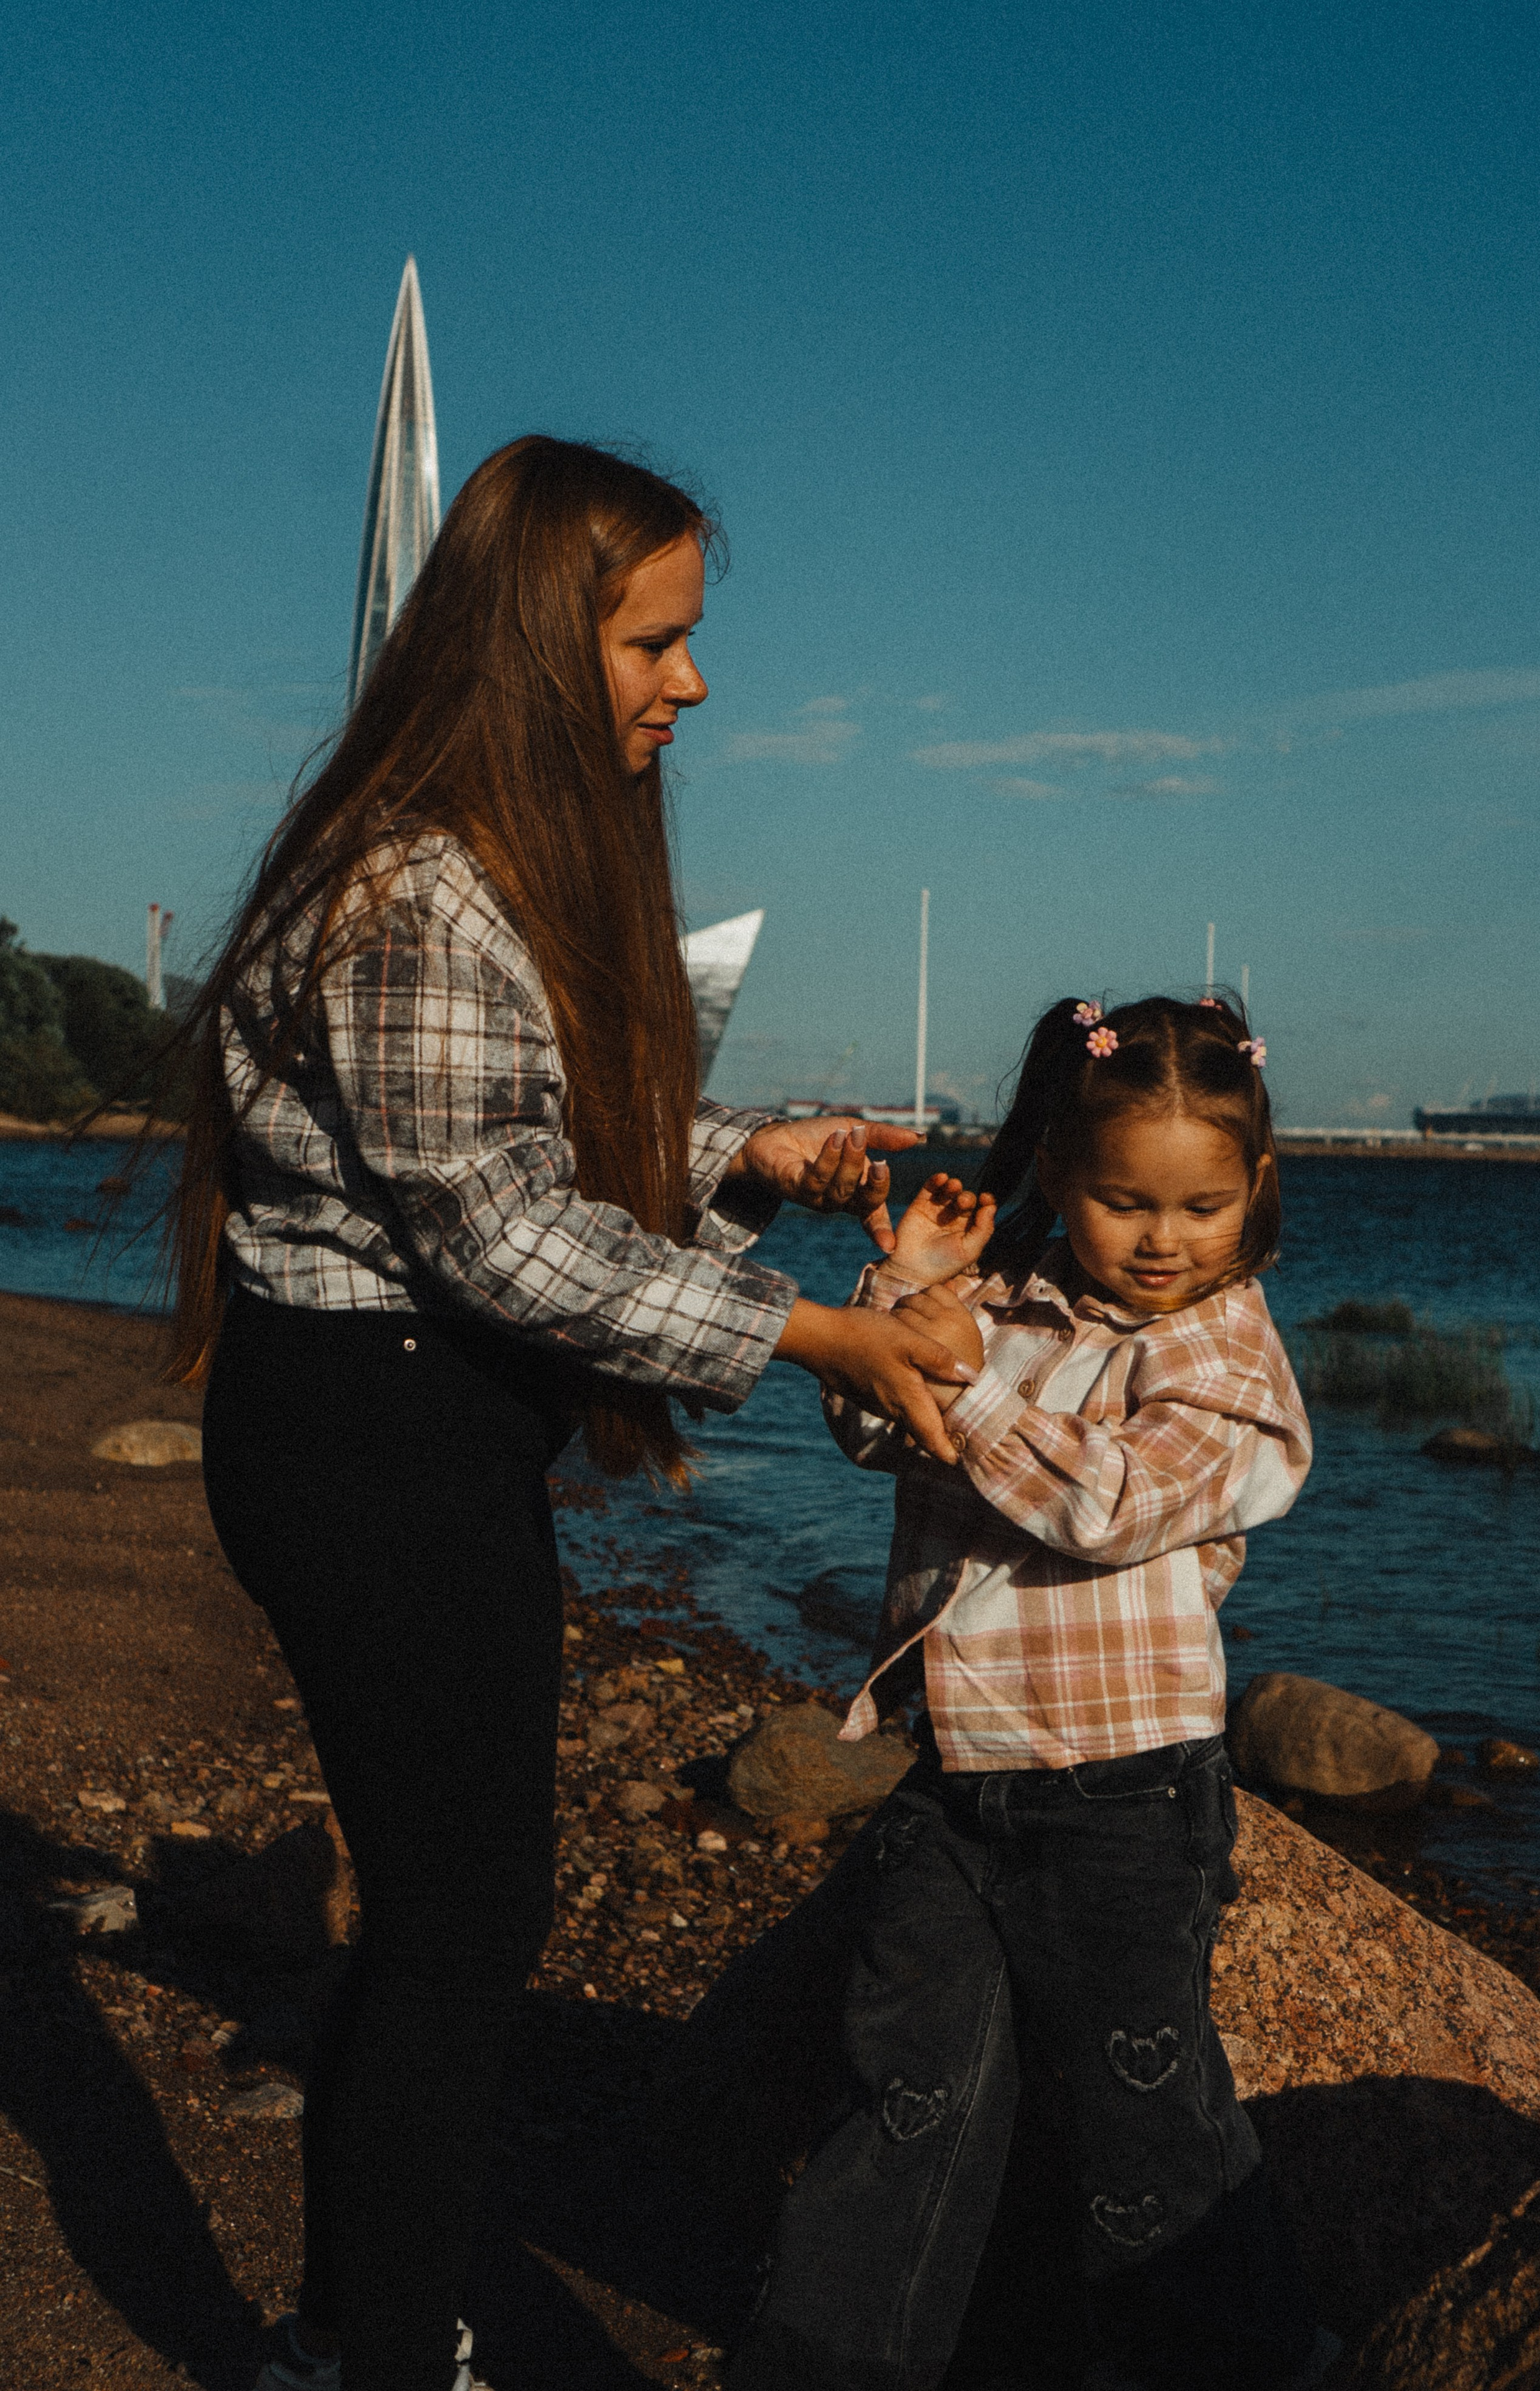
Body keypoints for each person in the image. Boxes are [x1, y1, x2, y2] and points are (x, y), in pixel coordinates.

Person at [164, 435, 978, 2391]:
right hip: (374, 1443)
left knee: (444, 1918)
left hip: (399, 1432)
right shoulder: (413, 893)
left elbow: (507, 1146)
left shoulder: (469, 871)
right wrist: (817, 1337)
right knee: (461, 1931)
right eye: (653, 641)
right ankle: (382, 2352)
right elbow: (498, 1232)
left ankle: (349, 2336)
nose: (692, 680)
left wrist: (741, 1151)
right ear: (539, 643)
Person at [728, 993, 1340, 2391]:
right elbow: (871, 1431)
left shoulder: (1226, 1356)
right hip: (956, 1777)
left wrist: (965, 1385)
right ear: (1058, 1174)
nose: (1163, 1238)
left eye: (1201, 1206)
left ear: (1254, 1188)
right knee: (905, 2088)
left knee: (1144, 2109)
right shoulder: (1009, 1303)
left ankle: (1248, 2364)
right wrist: (902, 1300)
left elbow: (1109, 1506)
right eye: (1125, 1201)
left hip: (1124, 1796)